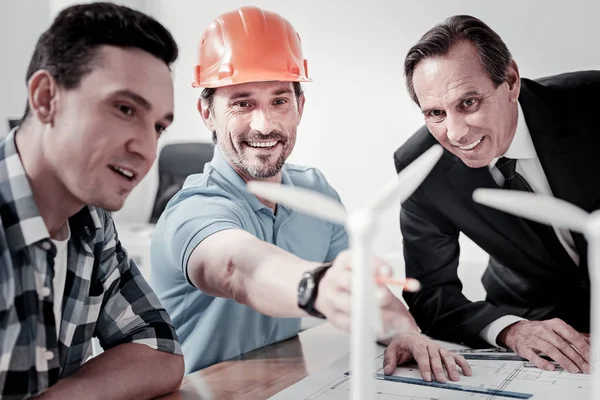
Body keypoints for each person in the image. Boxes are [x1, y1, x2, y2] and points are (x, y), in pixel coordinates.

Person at [150, 5, 471, 383]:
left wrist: (404, 333)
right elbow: (237, 268)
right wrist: (315, 286)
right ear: (207, 114)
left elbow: (362, 290)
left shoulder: (315, 192)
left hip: (284, 386)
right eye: (242, 103)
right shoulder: (192, 210)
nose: (264, 124)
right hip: (200, 392)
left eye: (279, 100)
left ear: (299, 107)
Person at [387, 14, 598, 375]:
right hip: (532, 321)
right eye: (436, 113)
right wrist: (511, 330)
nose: (455, 133)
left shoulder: (592, 103)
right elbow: (429, 294)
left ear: (511, 81)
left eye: (468, 103)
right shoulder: (421, 168)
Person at [0, 3, 184, 398]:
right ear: (46, 97)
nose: (147, 149)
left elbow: (160, 346)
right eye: (124, 108)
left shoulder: (91, 221)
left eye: (158, 127)